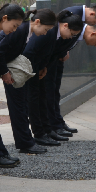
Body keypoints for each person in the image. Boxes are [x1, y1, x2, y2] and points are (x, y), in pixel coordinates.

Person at [0, 8, 56, 165]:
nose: (14, 29)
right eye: (13, 25)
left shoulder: (23, 31)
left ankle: (0, 152)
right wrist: (5, 72)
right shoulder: (21, 31)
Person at [23, 11, 84, 145]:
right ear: (65, 26)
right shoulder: (50, 32)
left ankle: (47, 130)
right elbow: (29, 51)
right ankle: (39, 133)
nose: (70, 38)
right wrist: (35, 70)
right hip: (31, 69)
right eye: (72, 34)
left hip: (40, 68)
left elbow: (50, 54)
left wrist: (44, 67)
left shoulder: (56, 33)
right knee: (34, 100)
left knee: (43, 97)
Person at [45, 20, 96, 136]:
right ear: (93, 34)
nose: (95, 45)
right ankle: (51, 127)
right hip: (48, 65)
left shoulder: (77, 34)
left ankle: (57, 123)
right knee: (49, 95)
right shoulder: (74, 30)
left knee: (55, 94)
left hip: (55, 64)